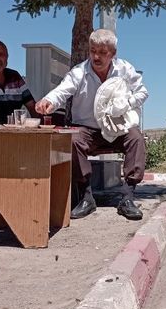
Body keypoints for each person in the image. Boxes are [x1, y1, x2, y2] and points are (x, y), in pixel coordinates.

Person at [35, 29, 148, 220]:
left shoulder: (125, 69)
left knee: (136, 138)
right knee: (73, 140)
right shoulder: (79, 72)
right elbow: (62, 91)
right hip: (88, 130)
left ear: (112, 54)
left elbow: (142, 92)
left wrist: (126, 104)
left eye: (102, 52)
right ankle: (86, 198)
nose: (96, 56)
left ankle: (128, 198)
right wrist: (48, 101)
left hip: (117, 129)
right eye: (93, 51)